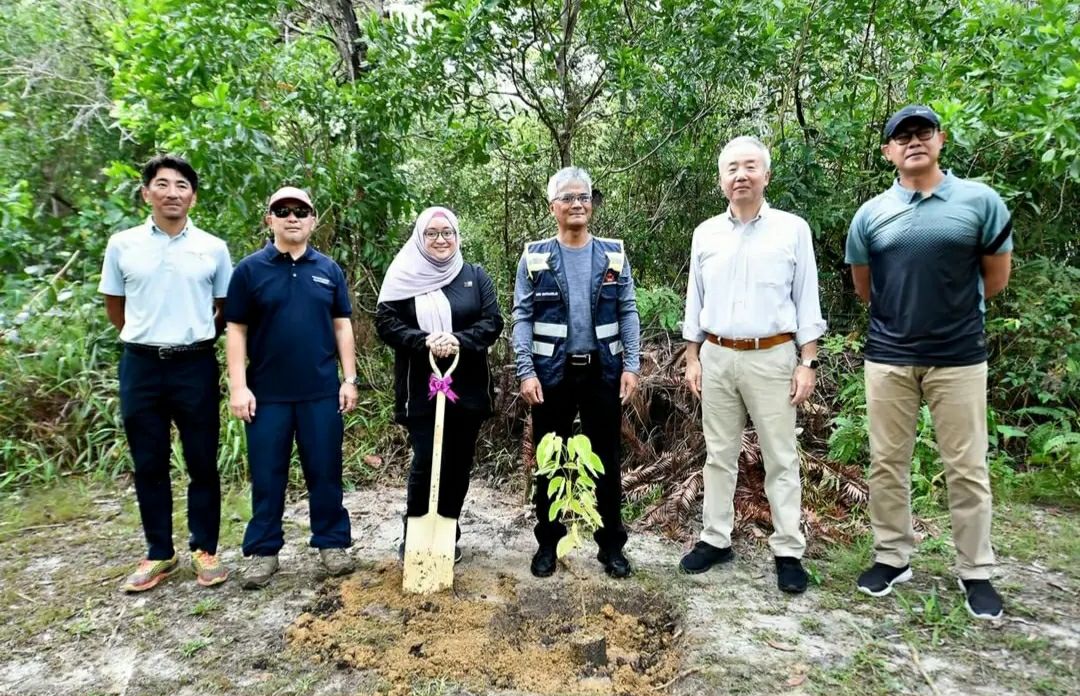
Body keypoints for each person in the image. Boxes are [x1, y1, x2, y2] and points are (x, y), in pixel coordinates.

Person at [846, 105, 1012, 620]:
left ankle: (975, 571)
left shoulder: (979, 202)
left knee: (966, 466)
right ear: (888, 152)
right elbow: (865, 287)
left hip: (958, 357)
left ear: (940, 140)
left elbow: (995, 278)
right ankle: (892, 558)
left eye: (923, 132)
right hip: (889, 357)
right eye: (903, 137)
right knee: (886, 462)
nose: (913, 141)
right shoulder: (871, 214)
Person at [680, 136, 826, 594]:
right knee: (719, 454)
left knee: (780, 456)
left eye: (749, 167)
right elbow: (695, 299)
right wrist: (692, 357)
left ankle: (788, 550)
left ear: (766, 175)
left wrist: (807, 361)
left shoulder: (792, 230)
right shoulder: (705, 233)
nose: (740, 175)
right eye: (732, 168)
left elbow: (806, 298)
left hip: (773, 356)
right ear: (721, 180)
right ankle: (715, 538)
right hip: (717, 355)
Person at [99, 154, 233, 592]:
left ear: (193, 196)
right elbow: (115, 305)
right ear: (146, 193)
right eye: (162, 184)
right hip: (140, 365)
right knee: (148, 461)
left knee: (202, 460)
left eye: (181, 185)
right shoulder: (123, 245)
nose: (171, 192)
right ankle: (159, 552)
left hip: (194, 364)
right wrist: (145, 337)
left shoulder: (213, 248)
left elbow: (224, 309)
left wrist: (192, 339)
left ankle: (205, 548)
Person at [224, 186, 357, 589]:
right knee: (267, 476)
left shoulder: (328, 270)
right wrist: (238, 387)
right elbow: (236, 330)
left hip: (321, 392)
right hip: (267, 396)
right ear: (270, 220)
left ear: (313, 219)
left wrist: (349, 379)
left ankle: (332, 544)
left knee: (326, 472)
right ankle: (263, 552)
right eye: (282, 211)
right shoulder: (249, 271)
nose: (292, 217)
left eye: (301, 210)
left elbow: (342, 326)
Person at [512, 166, 641, 579]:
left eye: (583, 196)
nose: (577, 204)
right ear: (553, 206)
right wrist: (526, 370)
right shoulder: (535, 257)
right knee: (550, 460)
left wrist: (632, 365)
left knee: (606, 460)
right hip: (551, 374)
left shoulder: (613, 254)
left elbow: (628, 310)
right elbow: (522, 316)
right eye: (567, 197)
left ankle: (611, 547)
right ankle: (548, 545)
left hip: (603, 372)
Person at [375, 206, 503, 562]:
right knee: (426, 459)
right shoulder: (402, 277)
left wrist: (457, 340)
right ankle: (415, 535)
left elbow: (492, 322)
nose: (440, 239)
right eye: (432, 233)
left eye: (447, 232)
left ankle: (447, 532)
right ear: (420, 237)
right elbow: (386, 323)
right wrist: (425, 341)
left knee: (458, 463)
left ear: (457, 236)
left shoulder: (475, 276)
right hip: (421, 387)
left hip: (467, 387)